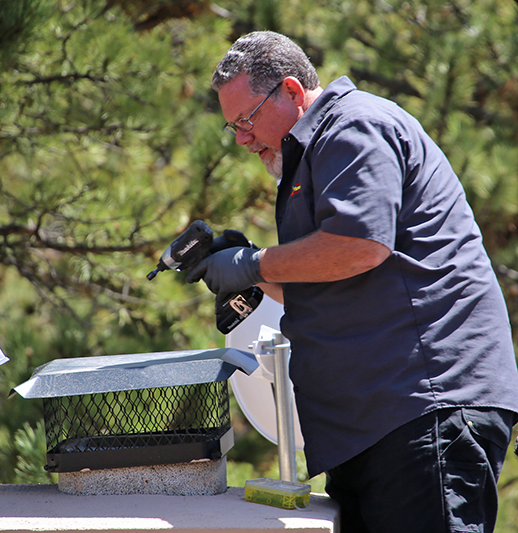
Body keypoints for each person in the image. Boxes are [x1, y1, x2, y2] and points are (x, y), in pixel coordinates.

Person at [187, 31, 518, 533]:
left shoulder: (353, 124)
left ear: (293, 93)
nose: (241, 139)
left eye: (247, 120)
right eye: (232, 127)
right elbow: (328, 277)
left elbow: (359, 246)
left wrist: (255, 263)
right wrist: (246, 281)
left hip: (423, 407)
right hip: (374, 425)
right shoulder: (314, 154)